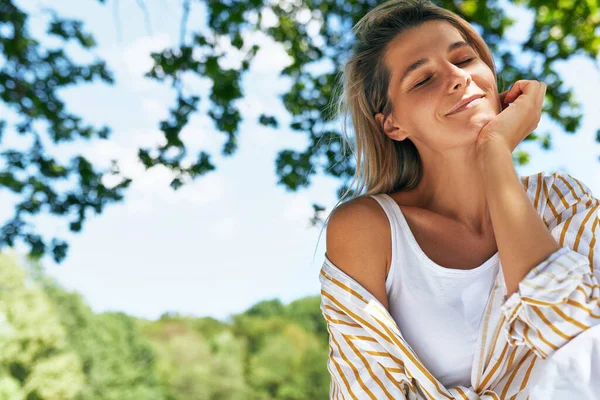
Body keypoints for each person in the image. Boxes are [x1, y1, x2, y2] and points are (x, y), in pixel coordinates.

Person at [319, 0, 600, 398]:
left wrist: (496, 150)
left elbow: (583, 347)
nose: (457, 78)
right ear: (392, 124)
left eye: (465, 59)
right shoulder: (369, 228)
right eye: (422, 79)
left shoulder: (561, 201)